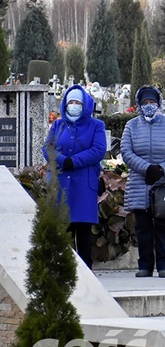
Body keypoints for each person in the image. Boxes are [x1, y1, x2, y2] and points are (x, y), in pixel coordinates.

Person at [122, 86, 165, 278]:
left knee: (163, 226)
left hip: (163, 184)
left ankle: (164, 266)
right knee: (143, 228)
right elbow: (126, 152)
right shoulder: (131, 126)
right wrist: (146, 168)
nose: (149, 106)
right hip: (139, 184)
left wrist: (161, 169)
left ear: (158, 103)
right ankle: (145, 265)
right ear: (139, 105)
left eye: (152, 102)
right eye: (145, 103)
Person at [43, 85, 106, 269]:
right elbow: (48, 147)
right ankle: (63, 271)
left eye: (77, 102)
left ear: (85, 105)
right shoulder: (58, 124)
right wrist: (62, 160)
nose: (73, 105)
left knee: (83, 232)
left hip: (84, 185)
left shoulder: (96, 125)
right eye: (70, 102)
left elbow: (98, 150)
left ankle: (86, 270)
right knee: (63, 230)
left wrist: (75, 161)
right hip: (61, 182)